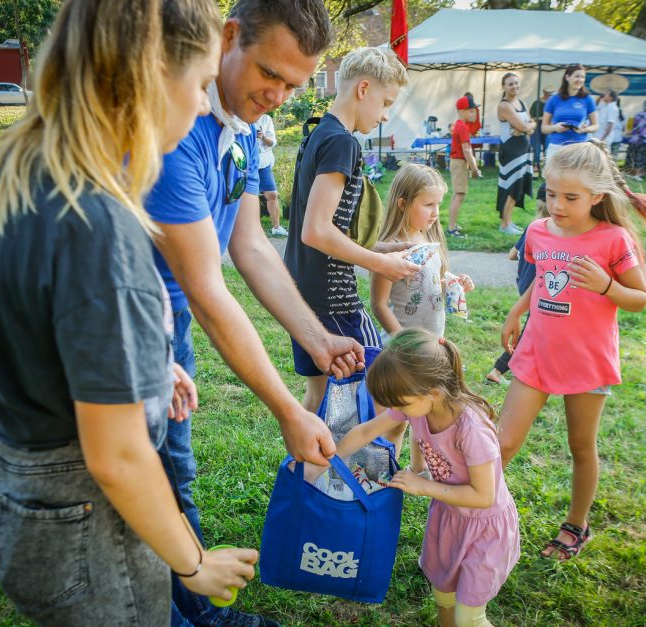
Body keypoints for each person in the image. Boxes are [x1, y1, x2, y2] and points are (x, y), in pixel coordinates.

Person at [0, 0, 258, 623]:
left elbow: (42, 325)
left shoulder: (17, 167)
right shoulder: (100, 230)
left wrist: (143, 364)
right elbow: (116, 456)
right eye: (200, 83)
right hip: (81, 527)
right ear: (147, 76)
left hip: (8, 488)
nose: (204, 104)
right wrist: (194, 564)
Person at [144, 2, 354, 624]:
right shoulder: (177, 128)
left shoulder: (250, 126)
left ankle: (199, 611)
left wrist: (315, 338)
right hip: (127, 321)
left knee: (173, 468)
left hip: (170, 325)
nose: (280, 96)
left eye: (294, 84)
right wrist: (289, 409)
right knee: (140, 475)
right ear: (228, 37)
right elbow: (207, 288)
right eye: (271, 74)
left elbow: (251, 243)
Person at [497, 139, 646, 561]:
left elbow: (640, 298)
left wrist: (606, 285)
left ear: (597, 196)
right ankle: (478, 512)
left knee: (581, 445)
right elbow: (543, 278)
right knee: (503, 443)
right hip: (537, 353)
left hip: (587, 360)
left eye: (570, 197)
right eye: (550, 194)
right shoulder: (539, 231)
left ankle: (577, 524)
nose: (557, 205)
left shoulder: (613, 239)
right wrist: (516, 309)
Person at [304, 329, 520, 627]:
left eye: (401, 403)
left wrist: (424, 485)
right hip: (448, 518)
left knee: (469, 616)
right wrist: (327, 461)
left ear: (432, 392)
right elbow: (367, 431)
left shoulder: (472, 430)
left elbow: (484, 497)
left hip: (483, 529)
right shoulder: (418, 406)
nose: (398, 411)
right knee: (443, 597)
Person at [284, 47, 417, 419]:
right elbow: (316, 230)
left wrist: (386, 247)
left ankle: (305, 474)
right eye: (386, 102)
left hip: (302, 292)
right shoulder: (343, 142)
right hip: (334, 301)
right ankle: (357, 472)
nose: (386, 114)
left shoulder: (317, 133)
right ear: (363, 89)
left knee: (320, 396)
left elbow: (328, 228)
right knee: (380, 388)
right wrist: (380, 263)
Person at [371, 163, 474, 339]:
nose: (436, 212)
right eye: (428, 205)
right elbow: (378, 304)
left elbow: (428, 282)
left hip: (431, 343)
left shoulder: (429, 240)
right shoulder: (391, 248)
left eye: (438, 204)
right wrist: (403, 341)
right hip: (402, 350)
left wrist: (454, 284)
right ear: (403, 204)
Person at [485, 223, 537, 386]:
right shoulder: (543, 229)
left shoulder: (531, 227)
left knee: (533, 332)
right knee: (531, 333)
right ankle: (498, 370)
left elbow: (512, 254)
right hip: (537, 290)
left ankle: (499, 370)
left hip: (524, 284)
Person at [496, 73, 536, 235]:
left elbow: (529, 125)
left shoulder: (521, 103)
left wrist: (526, 127)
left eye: (516, 83)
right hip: (512, 150)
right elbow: (526, 127)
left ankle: (509, 221)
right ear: (504, 87)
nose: (514, 86)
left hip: (523, 148)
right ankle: (504, 225)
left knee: (518, 187)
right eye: (510, 84)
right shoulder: (504, 106)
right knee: (511, 186)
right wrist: (527, 127)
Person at [542, 64, 598, 164]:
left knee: (576, 179)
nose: (580, 80)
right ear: (567, 77)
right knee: (553, 179)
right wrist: (555, 128)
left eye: (582, 77)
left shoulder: (587, 99)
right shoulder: (554, 99)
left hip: (578, 147)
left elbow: (595, 125)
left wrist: (585, 129)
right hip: (557, 146)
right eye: (577, 76)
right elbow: (544, 128)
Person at [447, 95, 483, 238]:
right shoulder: (462, 127)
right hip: (459, 162)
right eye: (470, 111)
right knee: (459, 195)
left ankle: (452, 224)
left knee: (457, 194)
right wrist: (475, 169)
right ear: (462, 111)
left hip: (458, 162)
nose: (473, 113)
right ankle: (451, 229)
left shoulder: (460, 125)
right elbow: (467, 150)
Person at [255, 113, 287, 236]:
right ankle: (254, 228)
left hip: (263, 162)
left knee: (272, 194)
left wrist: (262, 136)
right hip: (246, 163)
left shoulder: (265, 119)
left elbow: (272, 142)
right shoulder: (240, 117)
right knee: (251, 197)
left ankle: (276, 227)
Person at [530, 86, 553, 176]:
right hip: (537, 128)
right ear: (544, 92)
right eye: (548, 93)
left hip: (549, 128)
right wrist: (543, 118)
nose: (550, 95)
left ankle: (546, 169)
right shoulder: (537, 103)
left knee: (548, 148)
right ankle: (536, 167)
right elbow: (532, 117)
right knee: (537, 149)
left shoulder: (553, 103)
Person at [595, 90, 624, 156]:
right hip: (598, 136)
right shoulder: (605, 105)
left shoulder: (612, 108)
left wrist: (602, 139)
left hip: (604, 138)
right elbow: (595, 107)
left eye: (606, 94)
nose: (604, 95)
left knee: (603, 157)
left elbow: (611, 125)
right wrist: (600, 97)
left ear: (610, 97)